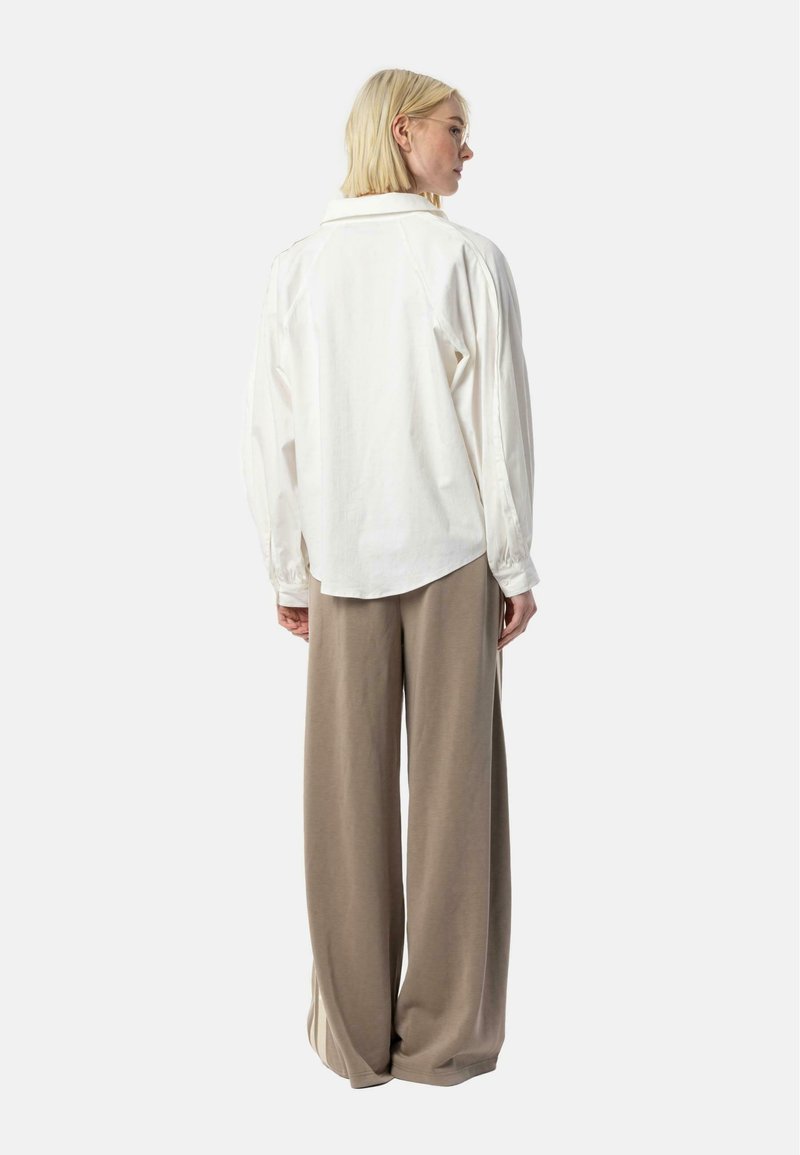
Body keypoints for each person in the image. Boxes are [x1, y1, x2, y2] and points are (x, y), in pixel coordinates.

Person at [242, 68, 541, 1088]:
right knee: (456, 803)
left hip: (337, 561)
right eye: (455, 128)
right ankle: (443, 1037)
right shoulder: (466, 259)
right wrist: (514, 562)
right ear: (404, 132)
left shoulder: (297, 268)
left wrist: (288, 567)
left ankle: (353, 1035)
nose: (467, 148)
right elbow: (497, 431)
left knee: (342, 804)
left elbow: (272, 436)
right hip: (452, 556)